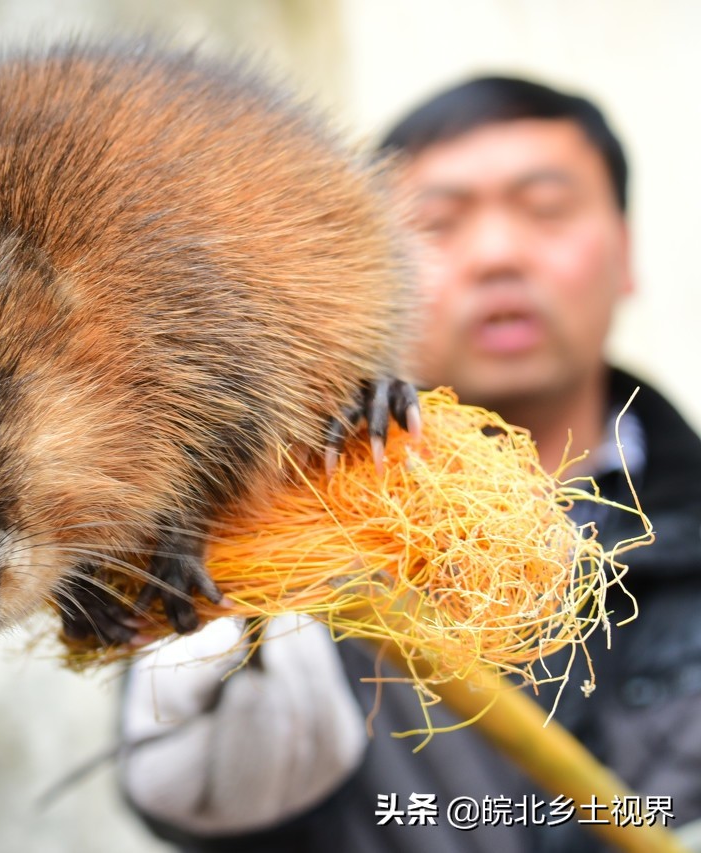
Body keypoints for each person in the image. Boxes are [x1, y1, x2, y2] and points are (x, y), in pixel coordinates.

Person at [118, 75, 701, 853]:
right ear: (365, 270)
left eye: (547, 209)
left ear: (626, 253)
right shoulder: (263, 540)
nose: (498, 254)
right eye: (438, 221)